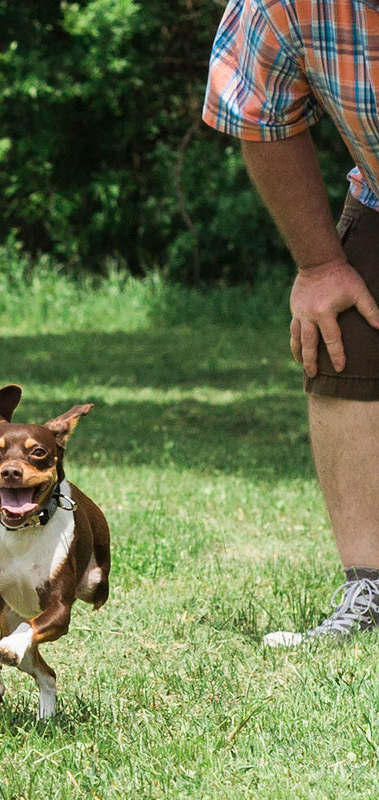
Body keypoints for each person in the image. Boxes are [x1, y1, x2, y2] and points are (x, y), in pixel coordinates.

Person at [203, 0, 379, 645]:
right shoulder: (282, 5)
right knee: (342, 341)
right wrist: (320, 266)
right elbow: (262, 115)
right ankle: (372, 587)